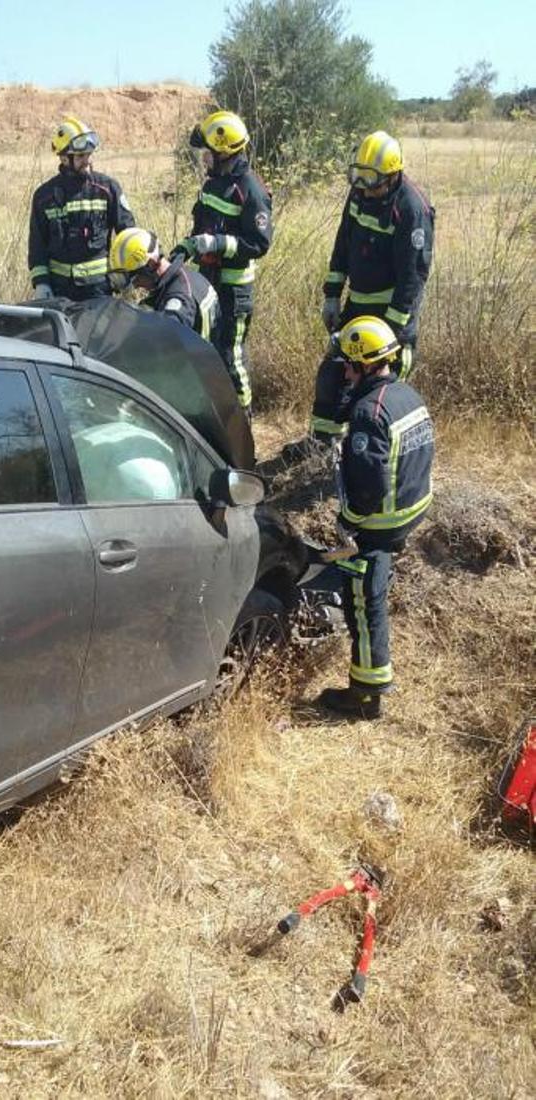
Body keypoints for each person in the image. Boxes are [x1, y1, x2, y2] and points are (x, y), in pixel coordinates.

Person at [302, 315, 434, 719]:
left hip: (379, 525)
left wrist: (351, 525)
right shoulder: (406, 395)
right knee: (372, 589)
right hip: (410, 510)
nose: (343, 369)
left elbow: (370, 485)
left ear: (362, 364)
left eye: (348, 362)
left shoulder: (368, 413)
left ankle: (365, 694)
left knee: (364, 606)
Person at [310, 131, 435, 445]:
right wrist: (331, 295)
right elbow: (343, 245)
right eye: (359, 179)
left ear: (392, 176)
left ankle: (364, 453)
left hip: (390, 317)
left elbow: (412, 279)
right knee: (334, 373)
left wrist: (392, 334)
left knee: (377, 394)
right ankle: (321, 448)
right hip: (357, 307)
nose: (365, 189)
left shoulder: (411, 209)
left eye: (372, 181)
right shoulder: (359, 194)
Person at [174, 110, 272, 416]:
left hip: (234, 288)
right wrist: (183, 250)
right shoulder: (213, 184)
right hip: (208, 281)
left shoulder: (250, 189)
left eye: (208, 152)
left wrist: (218, 243)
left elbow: (259, 243)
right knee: (208, 350)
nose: (204, 158)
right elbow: (201, 228)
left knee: (232, 355)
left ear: (224, 152)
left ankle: (243, 418)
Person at [28, 116, 135, 302]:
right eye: (80, 156)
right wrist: (41, 283)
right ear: (63, 157)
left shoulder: (108, 189)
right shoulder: (44, 197)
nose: (87, 160)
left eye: (89, 154)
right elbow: (37, 245)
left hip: (99, 290)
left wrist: (123, 275)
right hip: (58, 291)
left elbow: (129, 235)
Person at [109, 226, 221, 342]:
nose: (136, 285)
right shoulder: (182, 277)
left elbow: (165, 343)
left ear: (151, 265)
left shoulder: (178, 302)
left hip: (196, 359)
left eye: (135, 278)